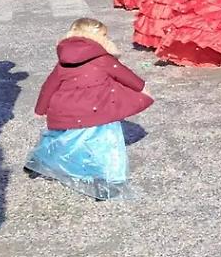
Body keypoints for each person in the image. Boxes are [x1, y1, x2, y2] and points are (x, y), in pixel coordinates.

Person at [26, 18, 152, 200]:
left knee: (62, 139)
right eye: (104, 36)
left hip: (65, 111)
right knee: (105, 145)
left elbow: (49, 85)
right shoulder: (103, 59)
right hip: (97, 110)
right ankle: (106, 181)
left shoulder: (63, 60)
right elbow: (126, 75)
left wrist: (40, 109)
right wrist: (143, 88)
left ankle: (38, 162)